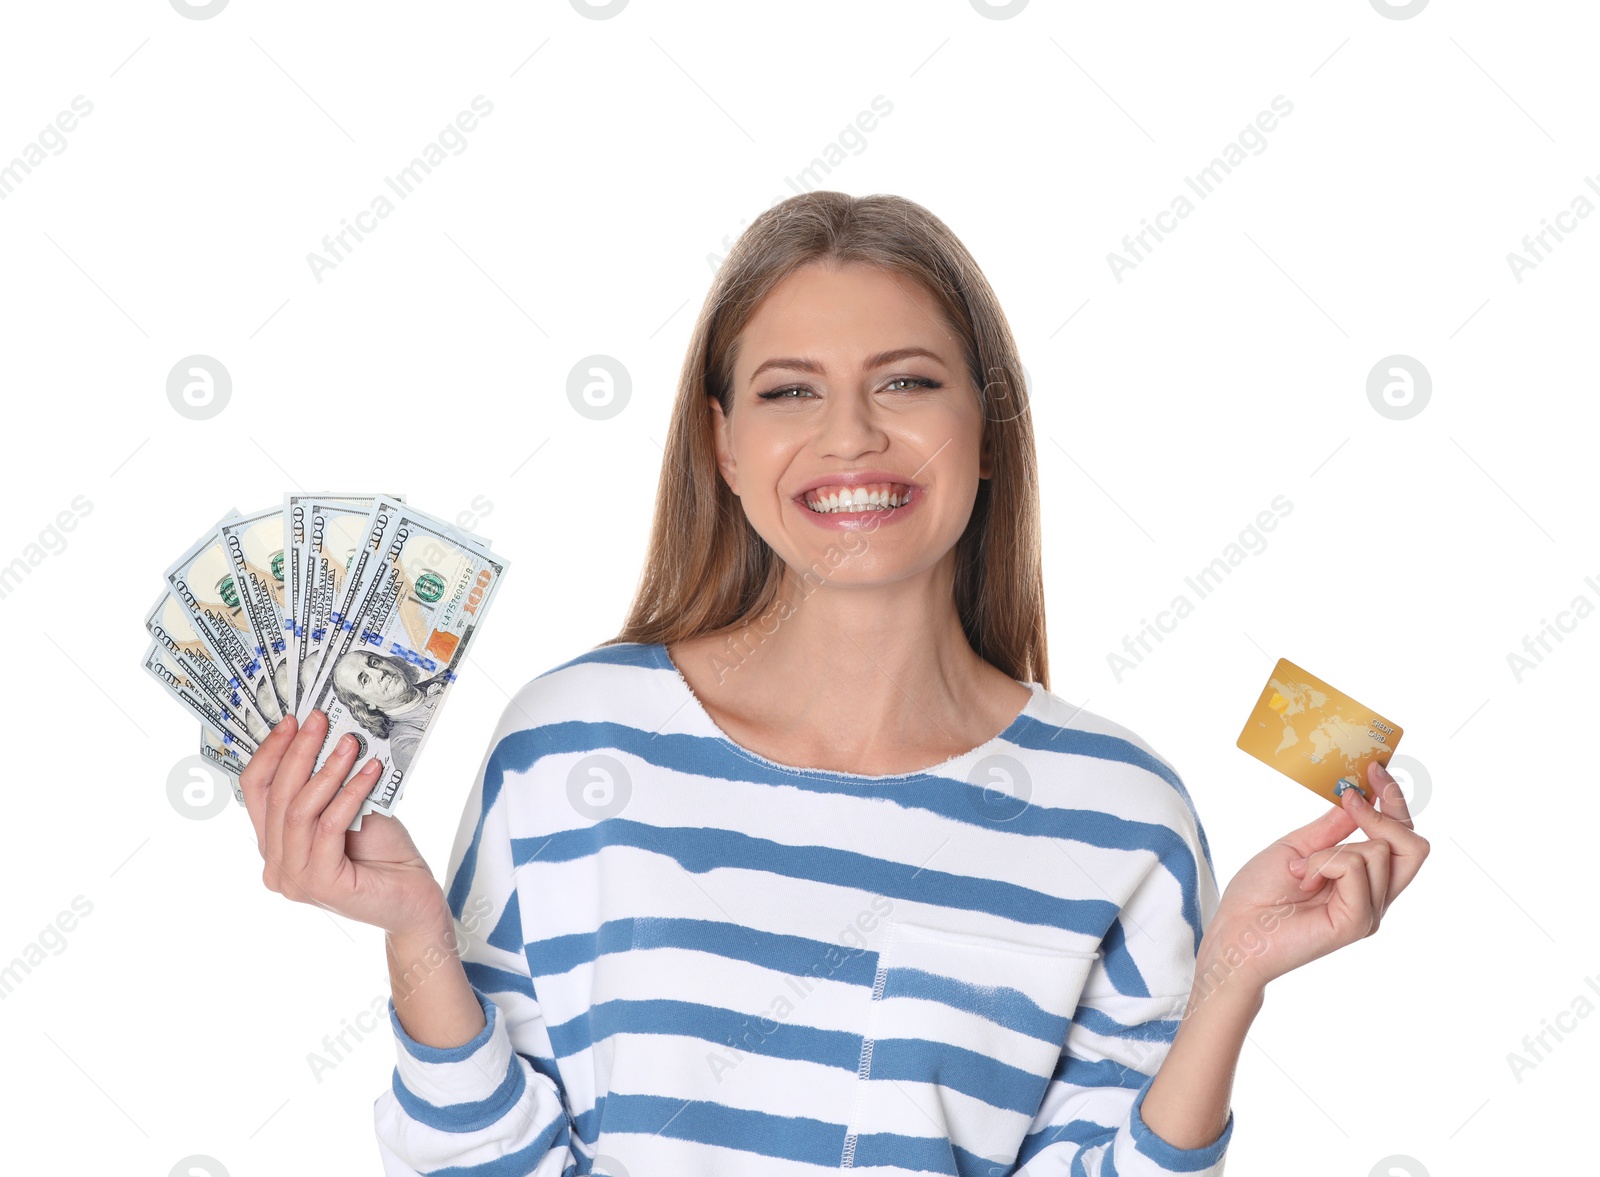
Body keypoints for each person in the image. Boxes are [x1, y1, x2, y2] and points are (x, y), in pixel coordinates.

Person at [240, 191, 1429, 1175]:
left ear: (987, 423)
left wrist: (1230, 983)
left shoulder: (1121, 813)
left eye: (906, 382)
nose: (850, 435)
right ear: (722, 444)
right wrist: (413, 938)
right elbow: (481, 1161)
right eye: (789, 389)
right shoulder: (568, 744)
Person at [328, 649, 446, 775]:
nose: (379, 673)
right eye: (365, 680)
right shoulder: (405, 744)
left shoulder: (445, 677)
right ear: (367, 704)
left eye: (374, 662)